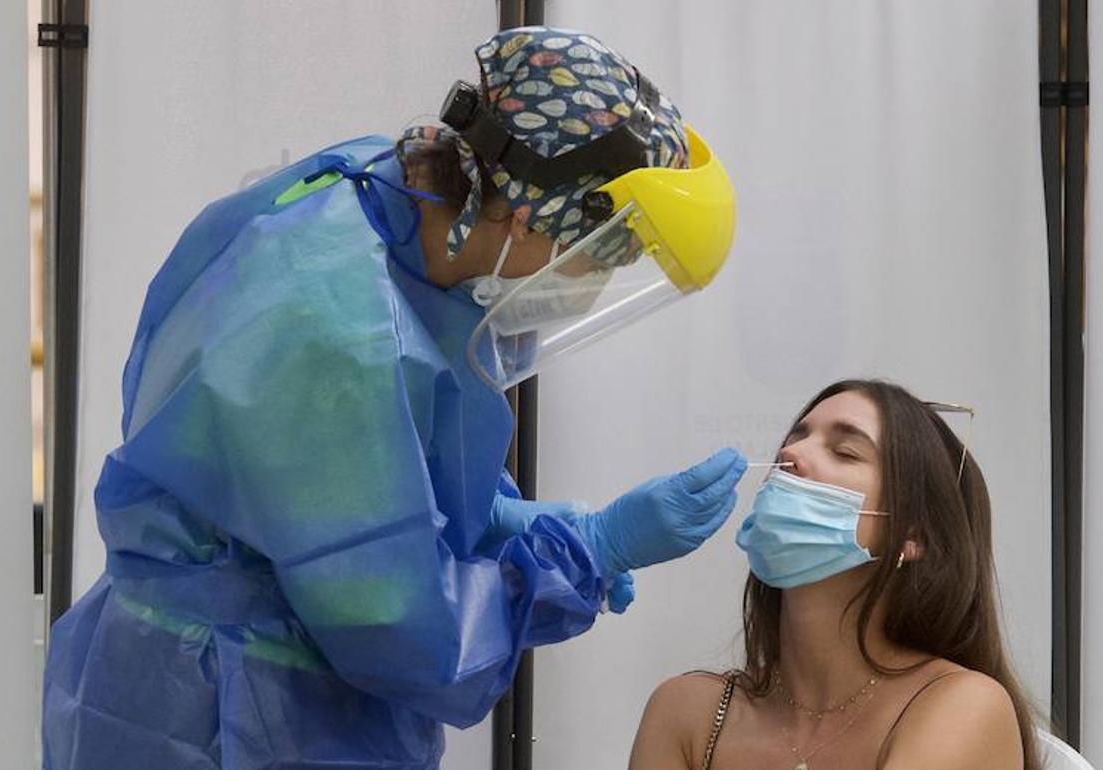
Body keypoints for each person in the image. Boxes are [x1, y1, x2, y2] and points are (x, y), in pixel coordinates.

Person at [42, 26, 745, 770]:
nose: (589, 281)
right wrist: (591, 552)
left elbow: (333, 466)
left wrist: (497, 517)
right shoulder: (334, 332)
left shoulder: (380, 191)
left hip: (216, 673)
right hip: (222, 713)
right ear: (525, 214)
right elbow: (403, 632)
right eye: (596, 255)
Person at [629, 380, 1042, 770]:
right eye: (796, 437)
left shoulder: (960, 705)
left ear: (912, 535)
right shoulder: (687, 712)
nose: (790, 454)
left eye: (844, 452)